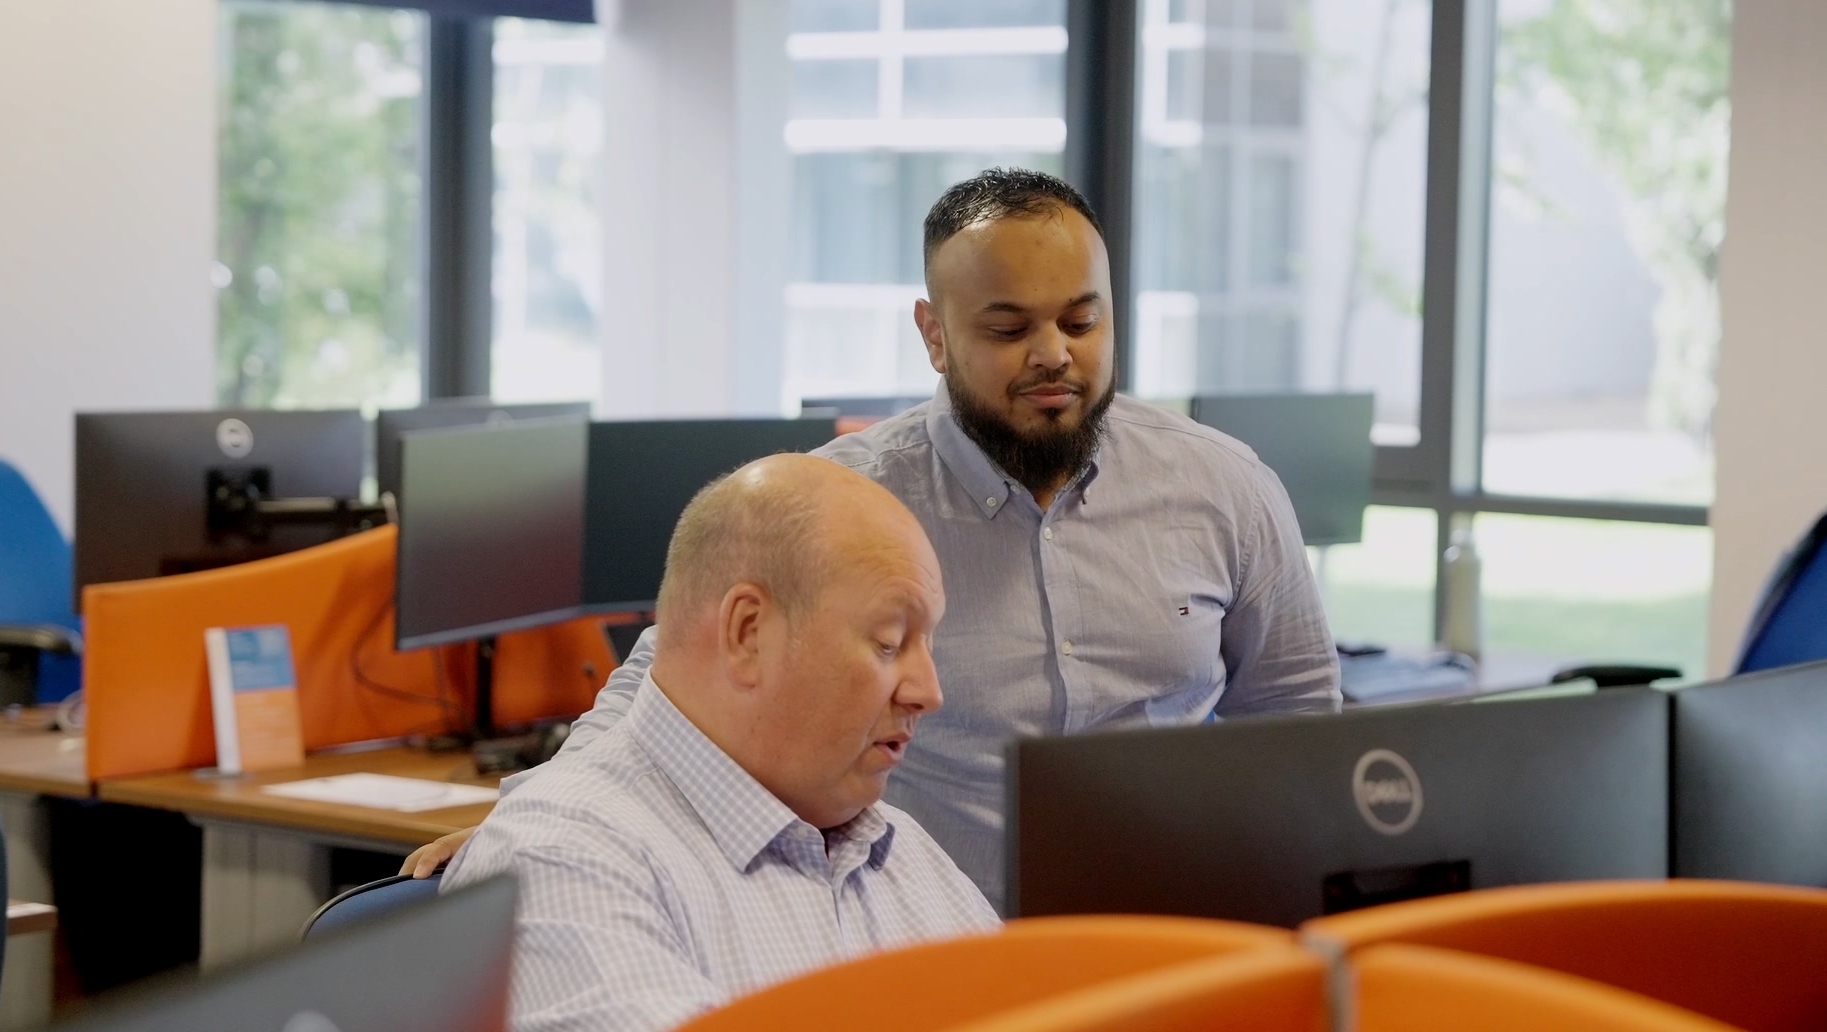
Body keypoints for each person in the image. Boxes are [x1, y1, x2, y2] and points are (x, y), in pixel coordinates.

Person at [412, 168, 1340, 906]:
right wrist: (535, 818)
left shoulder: (1224, 487)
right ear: (934, 335)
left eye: (1081, 320)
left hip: (1162, 942)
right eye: (1009, 327)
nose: (1054, 353)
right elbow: (668, 682)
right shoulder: (842, 500)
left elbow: (1297, 720)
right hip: (932, 955)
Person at [441, 454, 996, 1032]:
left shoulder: (900, 849)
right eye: (888, 643)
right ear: (748, 633)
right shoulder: (557, 863)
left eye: (927, 644)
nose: (929, 692)